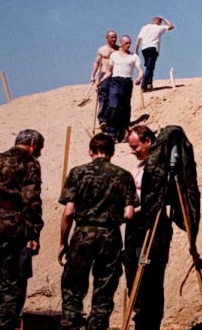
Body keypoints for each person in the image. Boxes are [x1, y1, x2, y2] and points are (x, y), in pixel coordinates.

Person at [58, 133, 137, 330]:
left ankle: (70, 324)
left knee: (73, 287)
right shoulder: (124, 175)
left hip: (82, 234)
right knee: (104, 290)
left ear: (90, 151)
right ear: (112, 152)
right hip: (110, 236)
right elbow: (129, 214)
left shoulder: (77, 173)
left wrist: (63, 242)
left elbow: (68, 212)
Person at [0, 129, 45, 330]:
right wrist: (33, 233)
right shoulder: (29, 162)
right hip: (11, 228)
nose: (39, 152)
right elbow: (31, 200)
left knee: (3, 275)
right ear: (32, 143)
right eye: (39, 148)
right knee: (15, 284)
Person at [122, 125, 172, 330]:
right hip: (135, 231)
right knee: (134, 274)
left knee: (148, 277)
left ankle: (148, 323)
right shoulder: (142, 165)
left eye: (136, 146)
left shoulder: (158, 168)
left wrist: (133, 211)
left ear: (148, 142)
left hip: (151, 232)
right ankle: (141, 319)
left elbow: (156, 200)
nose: (133, 151)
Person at [101, 35, 143, 142]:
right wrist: (101, 81)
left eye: (129, 43)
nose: (128, 45)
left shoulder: (134, 56)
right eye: (126, 43)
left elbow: (140, 70)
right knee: (114, 106)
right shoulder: (114, 55)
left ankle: (123, 131)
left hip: (127, 82)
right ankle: (112, 131)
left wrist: (139, 77)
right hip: (115, 81)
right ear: (121, 43)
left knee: (125, 107)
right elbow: (109, 71)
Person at [134, 16, 174, 92]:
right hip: (152, 48)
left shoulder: (145, 27)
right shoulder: (159, 27)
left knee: (149, 67)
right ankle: (144, 85)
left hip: (144, 49)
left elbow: (138, 39)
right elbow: (171, 26)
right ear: (159, 21)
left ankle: (149, 84)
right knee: (150, 68)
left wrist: (136, 50)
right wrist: (164, 18)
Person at [90, 30, 118, 129]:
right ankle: (102, 120)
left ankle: (111, 119)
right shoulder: (102, 50)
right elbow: (97, 63)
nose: (114, 39)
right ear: (107, 38)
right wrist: (92, 76)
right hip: (104, 75)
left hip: (115, 76)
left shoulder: (118, 50)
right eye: (112, 37)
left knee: (113, 98)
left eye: (115, 37)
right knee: (103, 98)